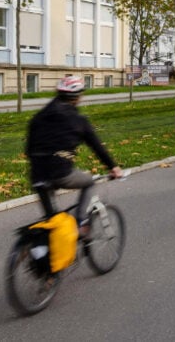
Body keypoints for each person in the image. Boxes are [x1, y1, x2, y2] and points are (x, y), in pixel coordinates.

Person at [26, 76, 124, 237]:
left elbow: (29, 147)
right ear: (77, 97)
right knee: (89, 183)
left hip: (37, 174)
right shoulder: (78, 120)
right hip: (60, 173)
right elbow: (96, 146)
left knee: (52, 221)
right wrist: (113, 167)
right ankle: (81, 222)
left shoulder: (39, 117)